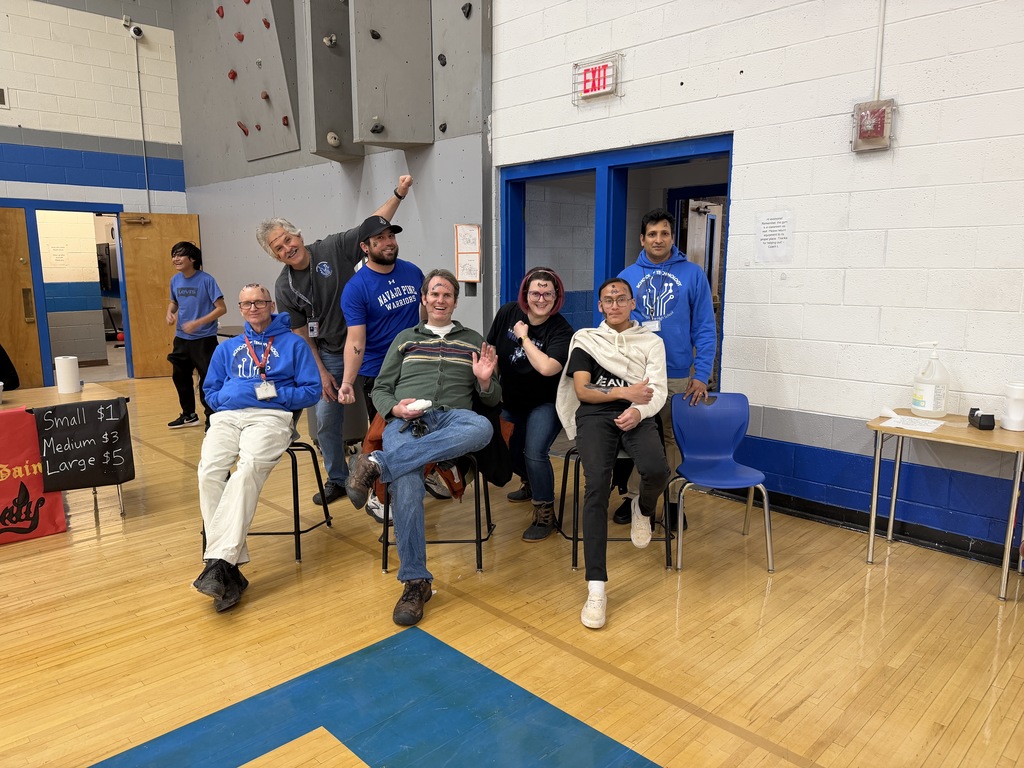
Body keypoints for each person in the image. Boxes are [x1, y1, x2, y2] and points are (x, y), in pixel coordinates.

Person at [345, 269, 499, 627]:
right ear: (424, 300)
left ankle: (377, 464)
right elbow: (380, 388)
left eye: (447, 294)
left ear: (455, 301)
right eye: (434, 294)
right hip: (406, 420)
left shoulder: (474, 340)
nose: (440, 300)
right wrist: (394, 408)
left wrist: (485, 381)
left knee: (483, 426)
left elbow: (493, 399)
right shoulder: (405, 339)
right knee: (408, 480)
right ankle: (416, 582)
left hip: (454, 421)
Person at [257, 175, 413, 506]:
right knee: (326, 420)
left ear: (298, 234)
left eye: (288, 239)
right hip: (329, 353)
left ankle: (384, 474)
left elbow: (373, 225)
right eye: (278, 247)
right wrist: (321, 372)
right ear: (275, 255)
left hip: (371, 349)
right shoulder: (284, 287)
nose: (287, 248)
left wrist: (399, 193)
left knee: (382, 415)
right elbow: (301, 334)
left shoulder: (332, 247)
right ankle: (338, 479)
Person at [193, 283, 321, 612]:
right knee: (208, 471)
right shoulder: (228, 348)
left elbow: (312, 391)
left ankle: (219, 563)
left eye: (259, 302)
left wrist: (275, 394)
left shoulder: (294, 345)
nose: (253, 308)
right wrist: (230, 399)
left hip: (272, 417)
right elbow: (210, 392)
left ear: (271, 304)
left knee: (247, 469)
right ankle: (226, 566)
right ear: (240, 308)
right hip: (228, 417)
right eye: (246, 303)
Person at [555, 278, 670, 630]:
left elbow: (658, 390)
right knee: (596, 488)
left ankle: (643, 507)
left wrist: (638, 410)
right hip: (596, 416)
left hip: (638, 411)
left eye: (621, 298)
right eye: (608, 300)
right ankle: (596, 587)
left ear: (633, 303)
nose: (615, 304)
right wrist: (624, 393)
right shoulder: (588, 340)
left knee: (657, 470)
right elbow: (584, 391)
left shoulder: (651, 342)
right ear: (601, 306)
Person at [613, 208, 717, 524]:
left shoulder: (693, 274)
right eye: (653, 234)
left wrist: (701, 374)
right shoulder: (627, 276)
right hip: (634, 374)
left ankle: (673, 502)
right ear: (642, 239)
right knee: (639, 435)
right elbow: (612, 324)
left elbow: (705, 326)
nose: (659, 239)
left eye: (665, 233)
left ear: (672, 237)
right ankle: (634, 499)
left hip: (675, 374)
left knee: (671, 438)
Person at [340, 215, 425, 522]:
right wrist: (348, 381)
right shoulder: (356, 288)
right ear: (366, 247)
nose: (389, 243)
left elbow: (425, 315)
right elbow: (356, 339)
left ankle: (420, 473)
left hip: (416, 367)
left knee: (420, 428)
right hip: (380, 374)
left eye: (391, 236)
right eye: (381, 239)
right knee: (386, 436)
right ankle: (378, 494)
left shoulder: (413, 271)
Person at [485, 267, 573, 542]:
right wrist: (492, 386)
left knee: (534, 452)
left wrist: (523, 336)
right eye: (535, 292)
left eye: (548, 293)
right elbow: (491, 350)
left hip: (544, 403)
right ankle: (530, 482)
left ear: (556, 296)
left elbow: (547, 368)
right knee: (509, 453)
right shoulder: (508, 312)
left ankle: (545, 511)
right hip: (511, 399)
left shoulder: (561, 330)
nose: (541, 298)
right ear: (526, 293)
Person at [165, 241, 226, 430]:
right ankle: (189, 415)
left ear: (192, 258)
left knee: (208, 379)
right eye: (174, 254)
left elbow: (221, 309)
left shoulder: (206, 280)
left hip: (204, 340)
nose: (175, 258)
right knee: (180, 376)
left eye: (180, 255)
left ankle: (212, 417)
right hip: (182, 339)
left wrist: (198, 323)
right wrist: (170, 312)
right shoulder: (175, 280)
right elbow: (174, 302)